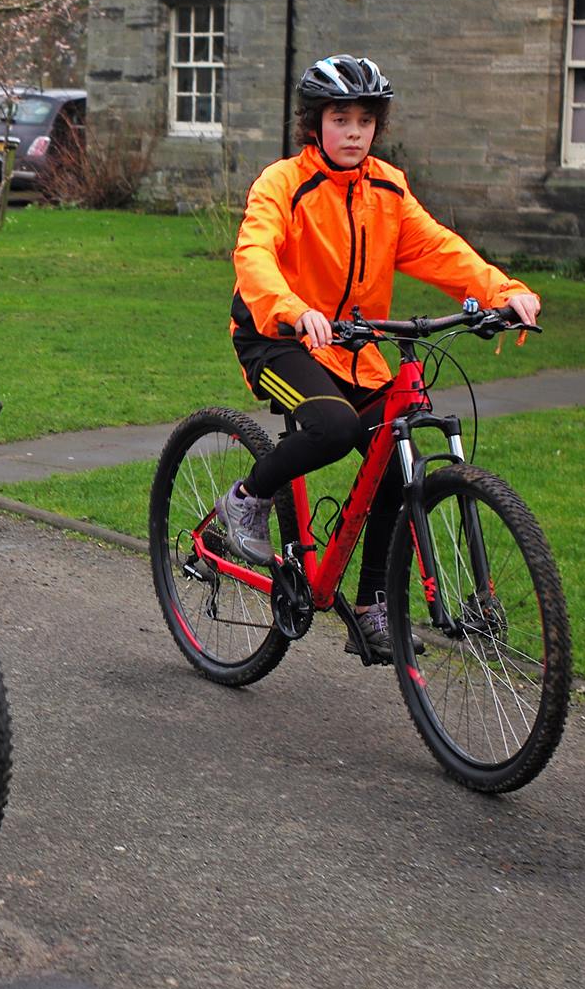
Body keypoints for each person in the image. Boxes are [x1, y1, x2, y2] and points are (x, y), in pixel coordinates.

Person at [218, 54, 543, 660]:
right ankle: (247, 499)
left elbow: (441, 250)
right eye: (340, 118)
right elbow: (254, 252)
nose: (353, 132)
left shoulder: (388, 189)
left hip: (351, 348)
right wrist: (290, 307)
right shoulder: (284, 183)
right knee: (335, 427)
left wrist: (504, 294)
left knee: (397, 452)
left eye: (365, 120)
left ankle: (371, 606)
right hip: (276, 337)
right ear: (315, 123)